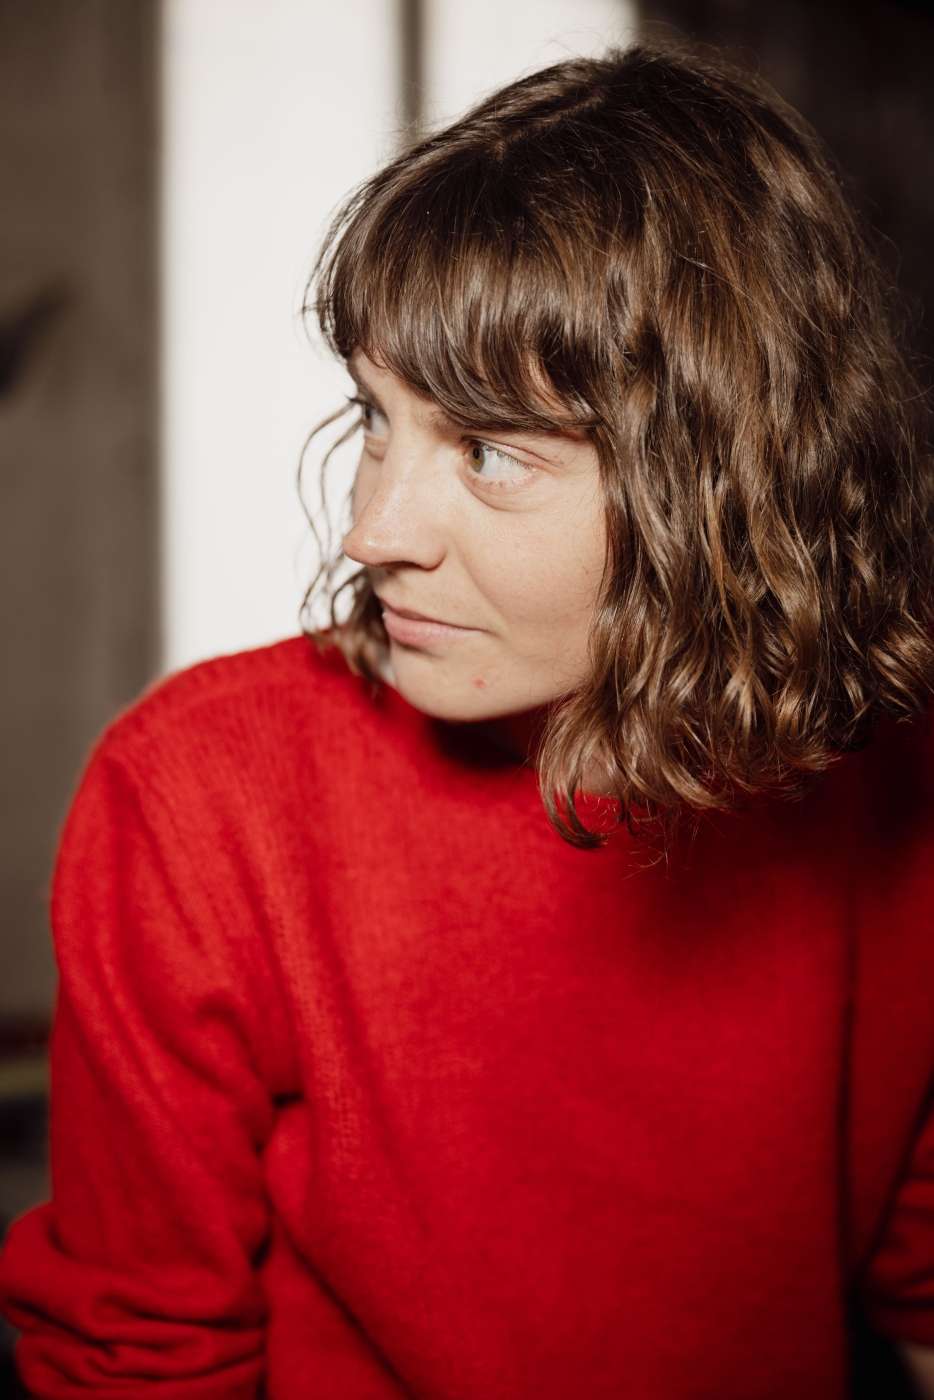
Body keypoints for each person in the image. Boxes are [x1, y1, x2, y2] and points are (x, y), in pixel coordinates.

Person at [0, 36, 932, 1400]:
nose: (373, 528)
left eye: (489, 451)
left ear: (720, 479)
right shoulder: (201, 795)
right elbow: (137, 1360)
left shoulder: (890, 785)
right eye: (376, 420)